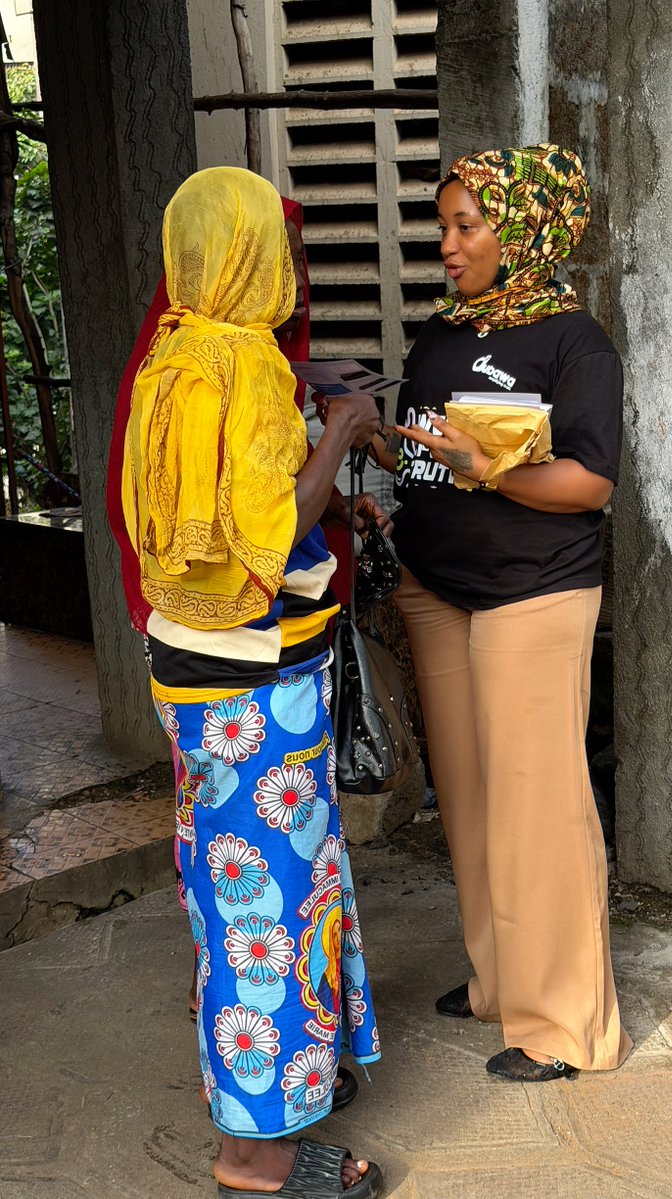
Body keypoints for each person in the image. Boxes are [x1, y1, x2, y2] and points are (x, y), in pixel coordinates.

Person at [118, 165, 385, 1197]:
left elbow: (212, 510)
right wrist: (345, 430)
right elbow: (269, 530)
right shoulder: (241, 366)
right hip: (255, 681)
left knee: (229, 887)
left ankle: (272, 1101)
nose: (292, 270)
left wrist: (322, 447)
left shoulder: (173, 354)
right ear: (247, 256)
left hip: (191, 668)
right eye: (282, 250)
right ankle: (255, 1157)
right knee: (265, 911)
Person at [373, 144, 632, 1081]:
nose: (447, 245)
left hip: (535, 588)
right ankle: (499, 979)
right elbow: (433, 454)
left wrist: (494, 471)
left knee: (538, 803)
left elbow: (591, 480)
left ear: (522, 231)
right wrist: (390, 460)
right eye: (442, 226)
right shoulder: (442, 334)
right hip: (437, 586)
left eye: (466, 226)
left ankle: (564, 1024)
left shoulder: (574, 342)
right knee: (473, 799)